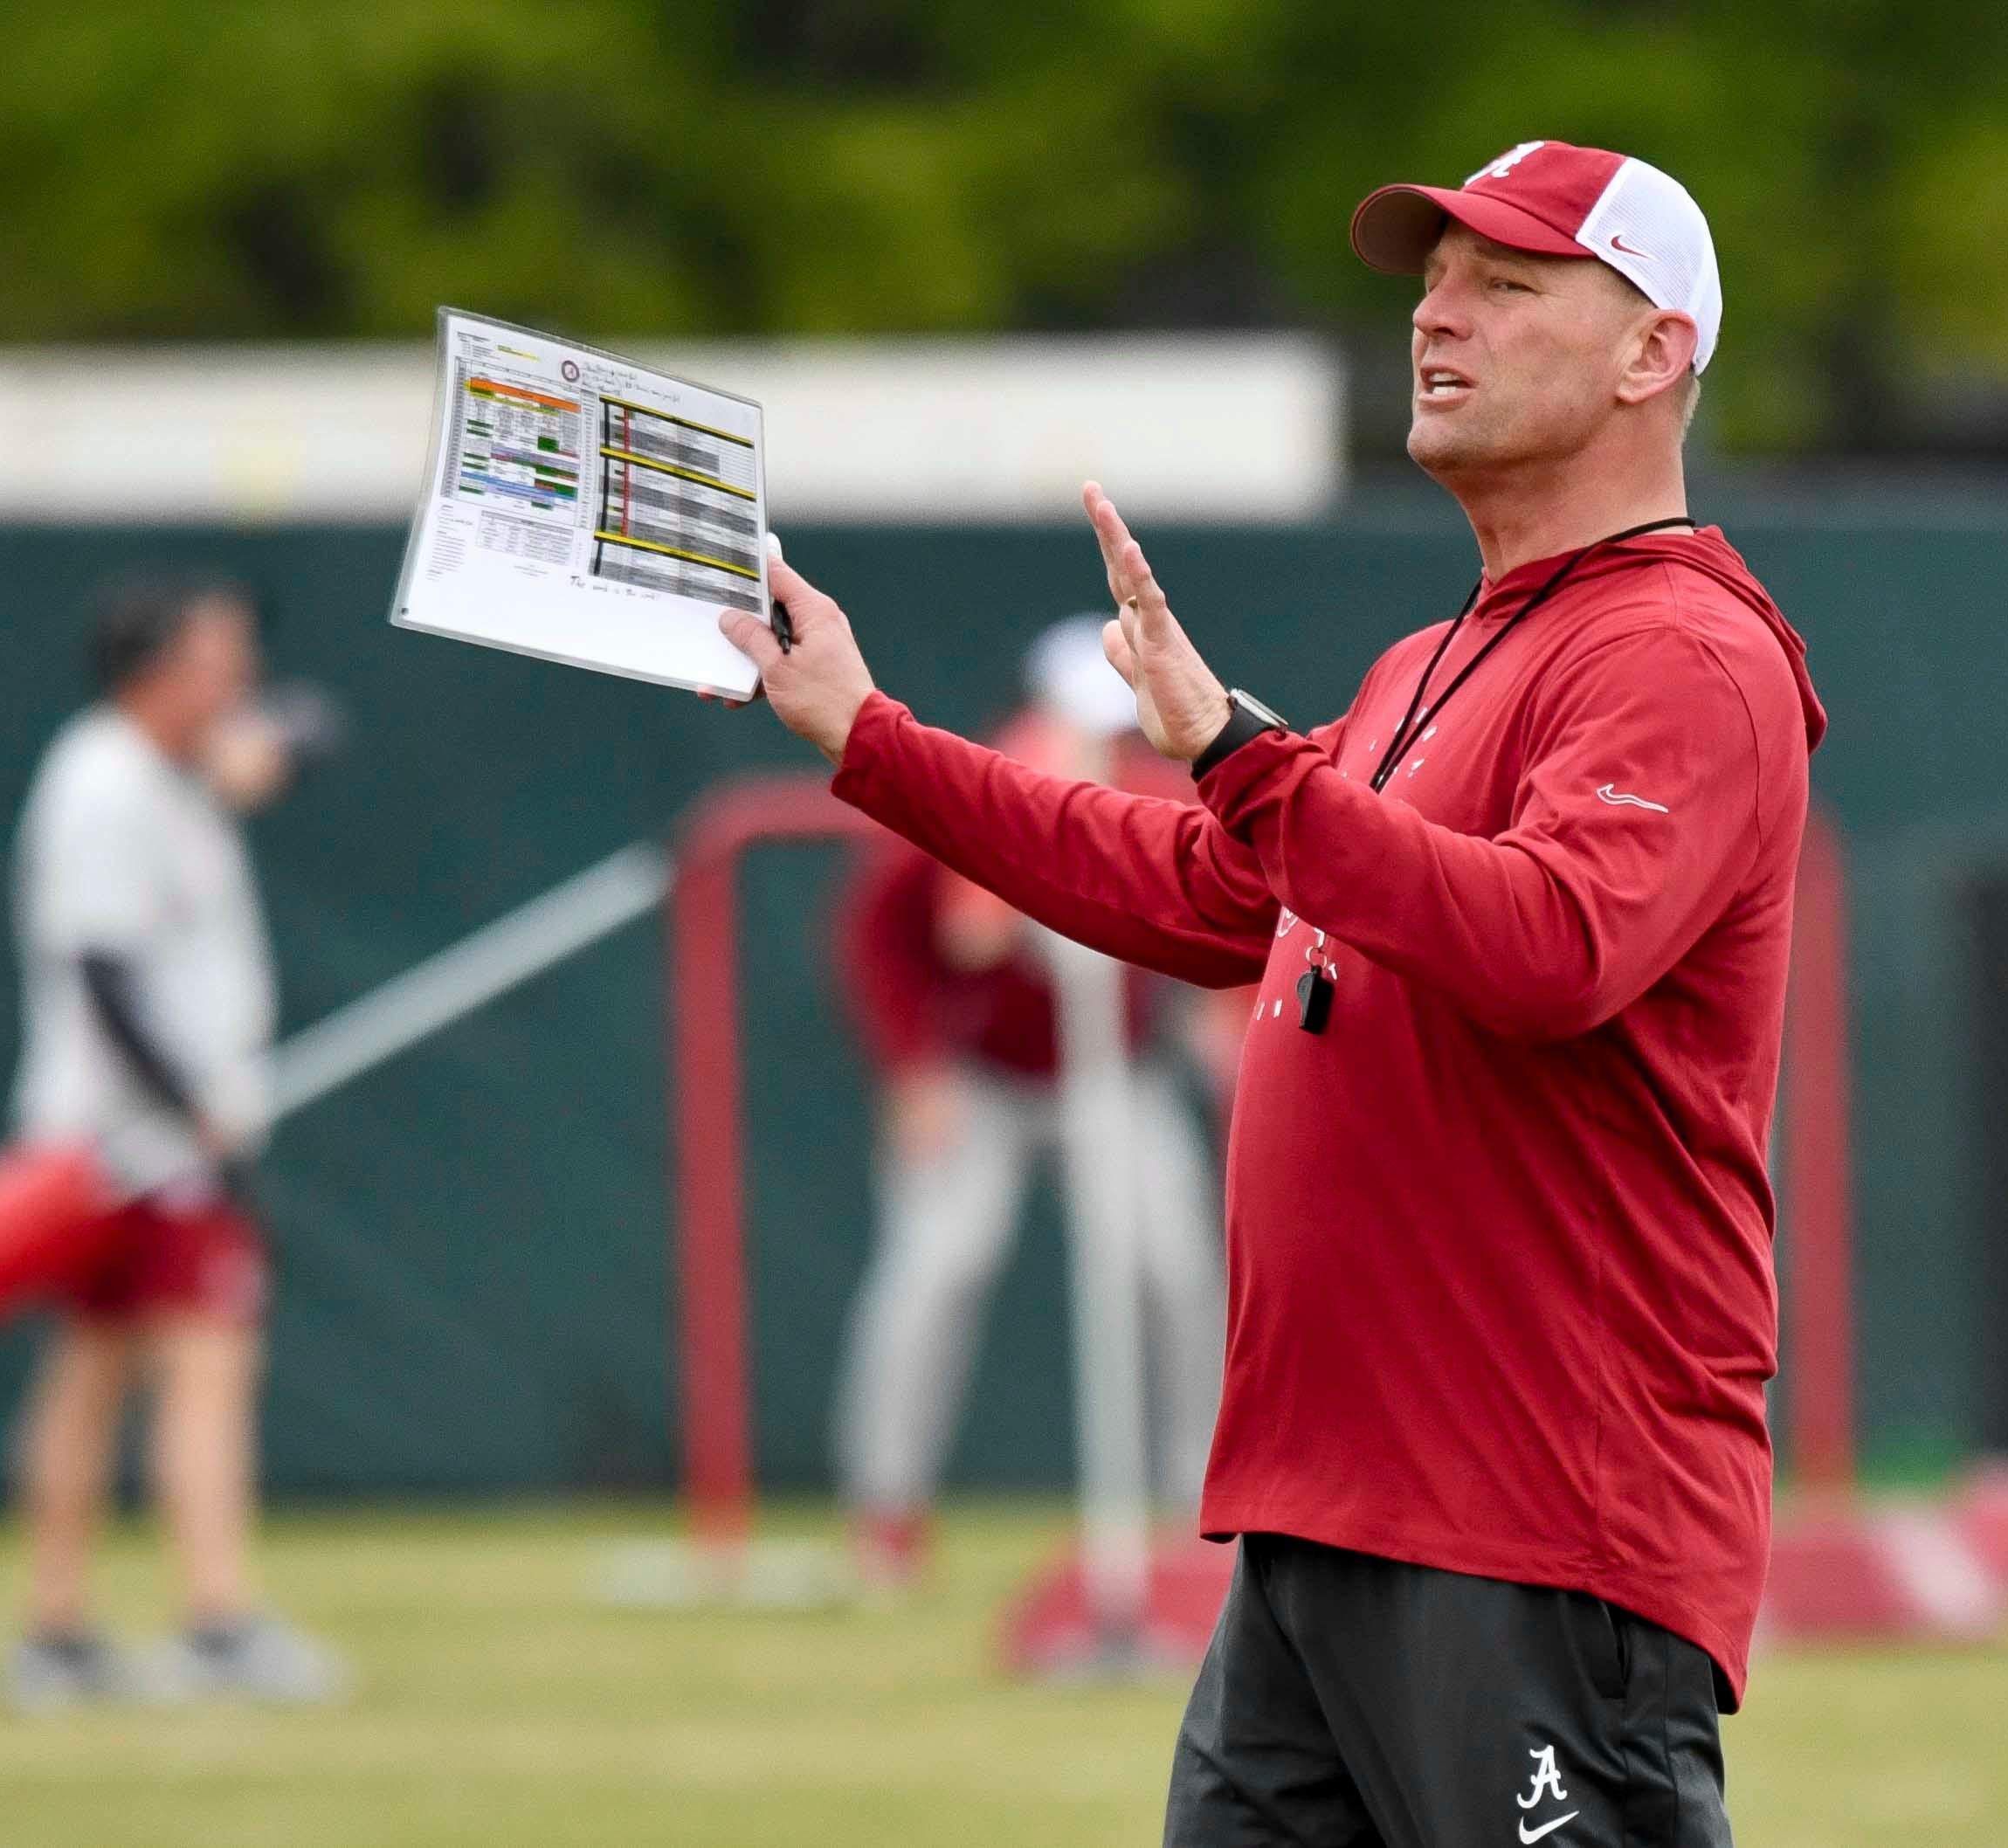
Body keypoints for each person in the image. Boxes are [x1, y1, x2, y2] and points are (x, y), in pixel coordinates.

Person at [717, 141, 1825, 1845]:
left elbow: (1548, 944)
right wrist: (873, 738)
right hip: (1333, 1520)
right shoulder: (1438, 655)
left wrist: (1240, 756)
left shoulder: (1681, 649)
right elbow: (1213, 885)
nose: (1437, 320)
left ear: (1651, 352)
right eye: (1432, 285)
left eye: (1506, 286)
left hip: (1538, 1516)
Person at [833, 617, 1238, 1589]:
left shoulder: (1161, 792)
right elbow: (882, 935)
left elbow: (1221, 909)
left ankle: (1207, 1520)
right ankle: (885, 1513)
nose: (1103, 752)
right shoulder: (965, 791)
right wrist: (914, 1065)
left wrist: (1219, 1024)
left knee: (1176, 1271)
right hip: (983, 1079)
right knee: (938, 1267)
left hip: (1122, 1079)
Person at [4, 574, 344, 1709]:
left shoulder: (176, 771)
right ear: (160, 669)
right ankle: (210, 1620)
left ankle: (65, 1630)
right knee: (196, 1368)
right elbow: (98, 970)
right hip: (134, 1142)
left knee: (100, 1374)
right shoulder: (104, 784)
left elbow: (312, 726)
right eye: (218, 657)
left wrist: (256, 754)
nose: (239, 678)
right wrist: (195, 1107)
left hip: (135, 1135)